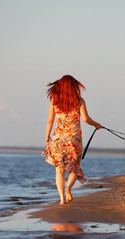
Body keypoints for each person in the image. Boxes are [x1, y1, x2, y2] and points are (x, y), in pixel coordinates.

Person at [43, 75, 102, 205]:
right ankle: (69, 189)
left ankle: (62, 199)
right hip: (74, 140)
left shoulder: (54, 101)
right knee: (74, 168)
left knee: (59, 170)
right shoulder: (79, 101)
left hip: (58, 140)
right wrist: (97, 125)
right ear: (74, 87)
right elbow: (86, 119)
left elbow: (50, 121)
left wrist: (47, 136)